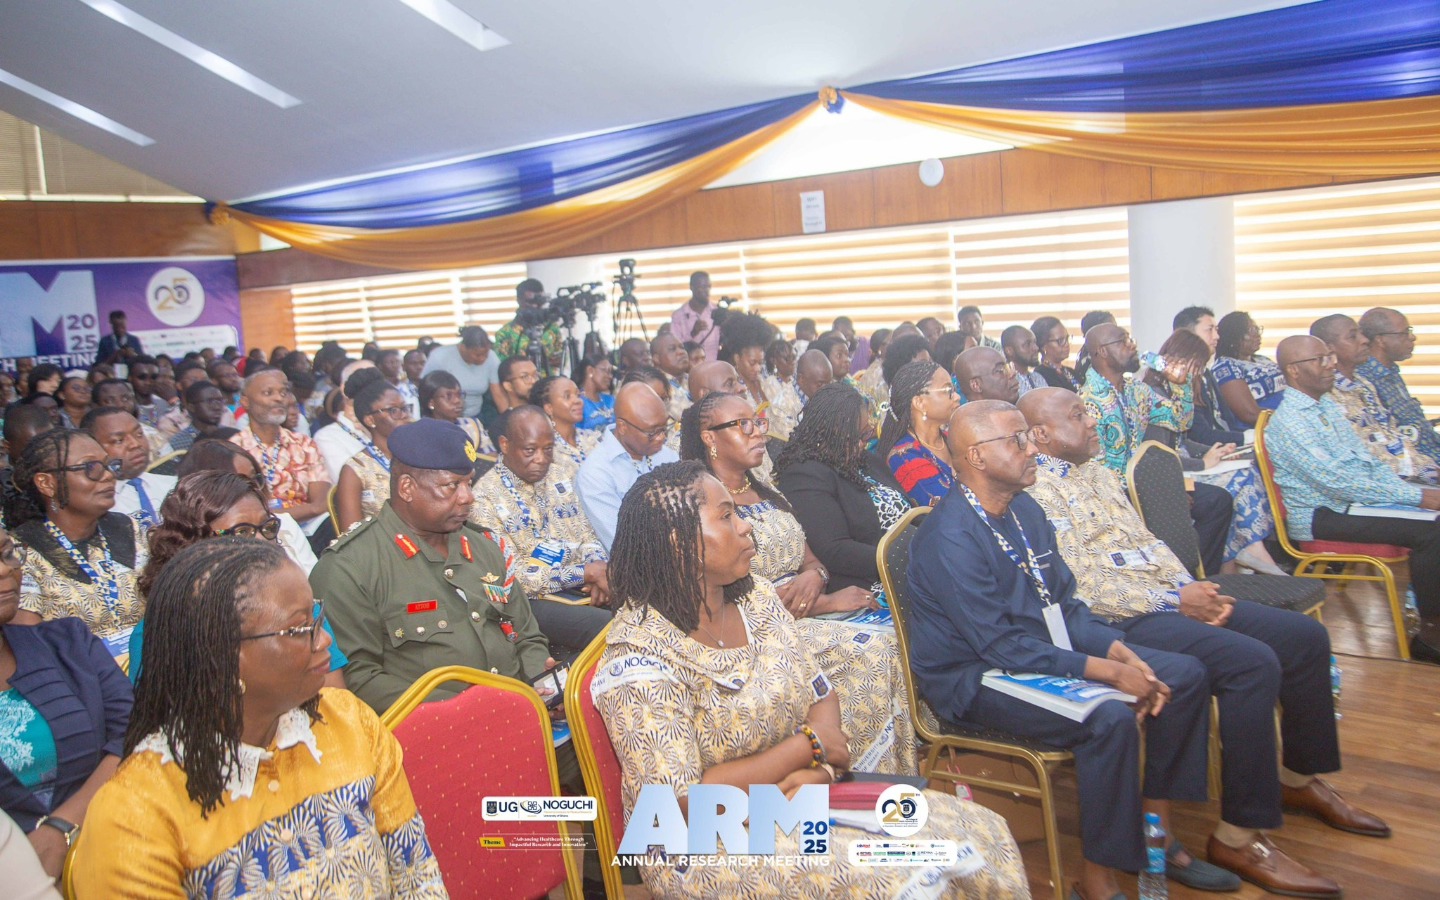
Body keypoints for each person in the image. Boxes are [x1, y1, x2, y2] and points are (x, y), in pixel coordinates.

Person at [591, 461, 1027, 899]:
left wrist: (820, 768)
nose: (745, 527)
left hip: (795, 797)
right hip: (709, 844)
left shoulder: (755, 599)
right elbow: (682, 802)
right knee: (903, 869)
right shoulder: (639, 659)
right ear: (679, 544)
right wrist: (808, 748)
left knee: (979, 830)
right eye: (726, 516)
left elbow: (819, 690)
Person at [1022, 387, 1382, 896]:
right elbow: (1081, 585)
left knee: (1304, 637)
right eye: (1078, 415)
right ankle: (1238, 834)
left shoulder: (1098, 474)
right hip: (1121, 621)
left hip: (1166, 598)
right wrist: (1175, 601)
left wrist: (1192, 590)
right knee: (1250, 663)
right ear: (1041, 435)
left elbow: (1148, 546)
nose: (1093, 420)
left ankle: (1298, 781)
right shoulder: (1036, 493)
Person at [909, 399, 1211, 900]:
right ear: (978, 457)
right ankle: (1097, 880)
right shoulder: (950, 537)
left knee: (1183, 676)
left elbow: (1065, 607)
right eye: (1018, 439)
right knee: (1109, 719)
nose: (1032, 449)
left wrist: (1117, 651)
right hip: (975, 677)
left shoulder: (1025, 508)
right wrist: (1109, 675)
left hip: (1034, 650)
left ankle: (1155, 836)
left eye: (1029, 436)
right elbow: (999, 645)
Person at [73, 538, 446, 897]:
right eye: (301, 628)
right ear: (221, 653)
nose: (324, 641)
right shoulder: (135, 814)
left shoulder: (350, 721)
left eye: (317, 618)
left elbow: (418, 878)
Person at [682, 392, 915, 772]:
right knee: (876, 650)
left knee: (898, 629)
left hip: (804, 609)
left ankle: (903, 772)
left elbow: (811, 556)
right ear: (709, 437)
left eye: (759, 422)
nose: (758, 432)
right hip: (758, 629)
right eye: (743, 425)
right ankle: (856, 775)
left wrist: (816, 575)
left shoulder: (764, 490)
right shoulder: (700, 502)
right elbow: (720, 594)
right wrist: (824, 602)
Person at [310, 419, 555, 713]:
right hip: (432, 733)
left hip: (522, 712)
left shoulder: (483, 546)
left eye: (468, 482)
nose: (468, 496)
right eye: (451, 485)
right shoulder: (350, 567)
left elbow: (526, 634)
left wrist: (542, 684)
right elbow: (358, 679)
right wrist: (461, 711)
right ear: (407, 488)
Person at [1267, 335, 1440, 663]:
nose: (1331, 364)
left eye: (1330, 357)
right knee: (1432, 529)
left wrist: (1409, 493)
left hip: (1351, 504)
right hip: (1323, 515)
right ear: (1294, 371)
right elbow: (1338, 484)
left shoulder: (1325, 406)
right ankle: (1430, 634)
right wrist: (1418, 497)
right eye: (1320, 359)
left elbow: (1367, 461)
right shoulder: (1290, 422)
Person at [127, 469, 342, 684]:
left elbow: (336, 701)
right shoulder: (162, 632)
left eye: (267, 528)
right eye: (241, 532)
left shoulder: (301, 607)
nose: (262, 541)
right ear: (196, 546)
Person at [0, 525, 130, 882]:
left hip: (110, 854)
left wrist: (61, 828)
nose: (4, 569)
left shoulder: (68, 645)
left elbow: (135, 733)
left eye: (7, 553)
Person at [1081, 323, 1234, 576]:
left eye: (1130, 338)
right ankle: (1178, 583)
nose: (1133, 345)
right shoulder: (1087, 401)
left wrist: (1182, 385)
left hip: (1144, 486)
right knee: (1180, 514)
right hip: (1114, 497)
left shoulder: (1136, 390)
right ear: (1102, 352)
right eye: (1123, 341)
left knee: (1219, 502)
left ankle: (1195, 577)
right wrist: (1160, 494)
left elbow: (1180, 420)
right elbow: (1099, 472)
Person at [1133, 330, 1285, 575]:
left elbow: (1184, 441)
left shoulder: (1177, 390)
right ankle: (1241, 557)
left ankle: (1245, 554)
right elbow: (1158, 456)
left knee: (1248, 472)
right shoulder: (1153, 395)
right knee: (1234, 485)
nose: (1200, 373)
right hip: (1170, 475)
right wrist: (1203, 464)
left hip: (1183, 466)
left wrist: (1216, 452)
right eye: (1198, 366)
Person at [469, 406, 612, 653]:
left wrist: (599, 571)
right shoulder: (483, 498)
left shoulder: (558, 475)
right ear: (505, 444)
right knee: (608, 627)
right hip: (527, 602)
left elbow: (587, 536)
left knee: (649, 606)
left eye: (548, 449)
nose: (541, 459)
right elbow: (511, 579)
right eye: (530, 450)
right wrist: (585, 573)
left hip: (581, 587)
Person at [11, 430, 146, 663]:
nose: (108, 476)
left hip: (154, 674)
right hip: (81, 684)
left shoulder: (134, 529)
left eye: (109, 465)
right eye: (91, 468)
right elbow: (30, 650)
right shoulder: (20, 552)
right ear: (47, 483)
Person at [775, 383, 910, 592]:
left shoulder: (865, 460)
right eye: (860, 435)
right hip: (872, 582)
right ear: (832, 434)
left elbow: (909, 509)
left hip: (911, 565)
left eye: (868, 433)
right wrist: (905, 558)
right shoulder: (804, 475)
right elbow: (835, 550)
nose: (865, 443)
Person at [1313, 313, 1438, 482]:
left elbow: (1393, 437)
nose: (1364, 340)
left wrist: (1429, 471)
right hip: (1385, 488)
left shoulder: (1364, 385)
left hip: (1412, 476)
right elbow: (1365, 461)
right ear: (1329, 348)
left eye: (1361, 334)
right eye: (1353, 336)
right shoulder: (1326, 395)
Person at [175, 439, 319, 575]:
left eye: (255, 479)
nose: (254, 488)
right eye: (242, 532)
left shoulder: (282, 523)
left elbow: (315, 585)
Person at [575, 382, 679, 549]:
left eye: (664, 428)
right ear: (622, 427)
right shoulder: (596, 473)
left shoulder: (667, 455)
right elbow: (624, 544)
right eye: (652, 433)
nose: (661, 438)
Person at [230, 370, 331, 538]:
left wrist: (272, 514)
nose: (279, 398)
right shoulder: (233, 450)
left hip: (308, 531)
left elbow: (320, 505)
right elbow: (241, 511)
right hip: (257, 535)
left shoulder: (305, 445)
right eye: (268, 393)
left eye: (283, 392)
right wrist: (302, 511)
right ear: (245, 401)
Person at [1357, 307, 1440, 462]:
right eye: (1404, 333)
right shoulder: (1365, 381)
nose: (1412, 337)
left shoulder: (1391, 373)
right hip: (1419, 469)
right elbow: (1390, 448)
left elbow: (1418, 431)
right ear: (1380, 340)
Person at [334, 372, 413, 531]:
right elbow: (351, 538)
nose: (404, 415)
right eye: (393, 410)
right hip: (381, 552)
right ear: (370, 420)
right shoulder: (355, 470)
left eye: (405, 408)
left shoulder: (420, 457)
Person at [881, 360, 961, 507]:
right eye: (948, 390)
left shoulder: (952, 438)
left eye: (954, 389)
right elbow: (949, 511)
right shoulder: (905, 460)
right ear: (920, 403)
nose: (957, 397)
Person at [83, 408, 175, 530]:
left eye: (139, 434)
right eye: (119, 440)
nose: (135, 444)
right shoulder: (92, 506)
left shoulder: (173, 485)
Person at [1173, 306, 1248, 447]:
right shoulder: (1179, 378)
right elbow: (1200, 435)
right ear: (1187, 334)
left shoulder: (1205, 373)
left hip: (1226, 448)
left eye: (1216, 330)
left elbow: (1227, 422)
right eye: (1209, 330)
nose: (1217, 336)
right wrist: (1246, 438)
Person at [1213, 311, 1286, 429]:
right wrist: (1291, 418)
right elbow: (1249, 414)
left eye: (1258, 329)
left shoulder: (1263, 359)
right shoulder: (1225, 366)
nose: (1258, 335)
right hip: (1265, 429)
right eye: (1252, 330)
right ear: (1234, 337)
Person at [313, 362, 382, 483]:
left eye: (377, 383)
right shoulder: (327, 437)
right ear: (344, 389)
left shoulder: (390, 427)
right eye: (364, 382)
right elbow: (356, 483)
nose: (373, 390)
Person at [418, 325, 500, 421]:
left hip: (477, 416)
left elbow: (498, 394)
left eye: (486, 354)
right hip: (443, 418)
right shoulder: (439, 356)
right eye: (478, 355)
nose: (483, 358)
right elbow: (425, 390)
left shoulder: (491, 357)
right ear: (463, 347)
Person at [529, 375, 599, 478]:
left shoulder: (592, 438)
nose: (578, 401)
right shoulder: (546, 450)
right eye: (567, 396)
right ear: (549, 408)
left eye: (578, 395)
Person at [418, 369, 496, 456]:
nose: (457, 400)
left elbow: (490, 457)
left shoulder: (471, 425)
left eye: (459, 395)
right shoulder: (420, 431)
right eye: (448, 396)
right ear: (431, 403)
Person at [1, 406, 55, 529]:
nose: (43, 453)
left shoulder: (65, 483)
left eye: (49, 444)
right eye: (33, 446)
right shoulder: (4, 487)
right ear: (6, 446)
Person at [494, 279, 564, 372]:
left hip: (549, 384)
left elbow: (562, 360)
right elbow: (503, 368)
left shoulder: (552, 328)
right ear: (519, 300)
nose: (535, 306)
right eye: (530, 302)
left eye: (539, 301)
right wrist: (544, 361)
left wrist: (538, 361)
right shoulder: (505, 333)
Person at [719, 312, 778, 413]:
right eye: (752, 363)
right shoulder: (732, 390)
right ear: (737, 358)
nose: (757, 368)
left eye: (760, 363)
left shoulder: (766, 383)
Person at [158, 380, 228, 455]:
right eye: (209, 401)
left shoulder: (230, 434)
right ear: (191, 407)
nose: (217, 407)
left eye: (220, 401)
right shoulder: (176, 446)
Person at [670, 270, 722, 361]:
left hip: (715, 367)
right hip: (691, 370)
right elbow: (676, 348)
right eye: (702, 287)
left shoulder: (718, 312)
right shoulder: (678, 315)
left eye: (708, 286)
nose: (706, 290)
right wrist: (693, 333)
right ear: (691, 287)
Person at [651, 331, 692, 421]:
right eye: (672, 349)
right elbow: (685, 416)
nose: (681, 352)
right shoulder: (655, 386)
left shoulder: (693, 378)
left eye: (682, 347)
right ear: (656, 359)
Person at [1031, 316, 1079, 391]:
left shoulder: (1070, 371)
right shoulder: (1041, 375)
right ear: (1043, 346)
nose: (1066, 344)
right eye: (1060, 340)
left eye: (1067, 338)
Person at [1001, 325, 1047, 397]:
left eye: (1035, 342)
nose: (1036, 348)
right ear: (1009, 351)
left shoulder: (1038, 377)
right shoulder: (1005, 383)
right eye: (1027, 344)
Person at [126, 356, 170, 429]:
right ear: (130, 378)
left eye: (153, 377)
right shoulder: (127, 408)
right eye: (142, 377)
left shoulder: (164, 404)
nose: (148, 382)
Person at [575, 354, 616, 431]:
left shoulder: (611, 400)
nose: (610, 376)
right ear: (590, 370)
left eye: (611, 372)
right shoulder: (577, 403)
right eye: (605, 371)